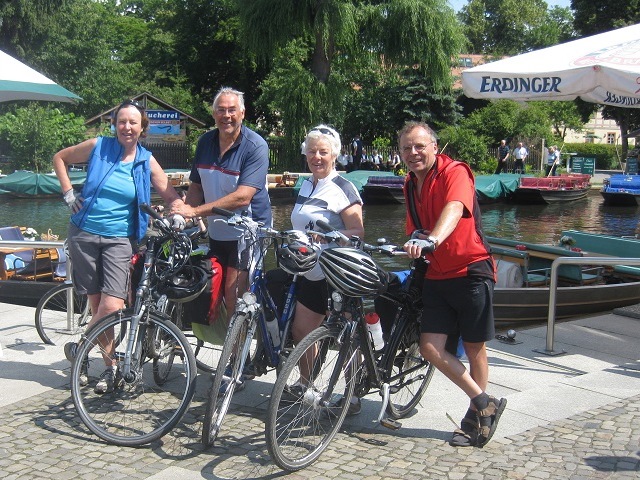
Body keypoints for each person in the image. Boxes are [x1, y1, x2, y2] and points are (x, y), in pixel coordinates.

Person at [53, 99, 185, 394]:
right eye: (122, 121)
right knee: (97, 304)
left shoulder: (145, 160)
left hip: (119, 239)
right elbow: (59, 158)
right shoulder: (98, 146)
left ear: (143, 128)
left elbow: (169, 192)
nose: (127, 127)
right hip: (84, 234)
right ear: (115, 125)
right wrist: (68, 194)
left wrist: (177, 211)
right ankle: (110, 367)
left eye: (133, 122)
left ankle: (78, 348)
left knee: (113, 306)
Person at [399, 121, 506, 448]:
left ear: (434, 147)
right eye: (407, 148)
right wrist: (414, 239)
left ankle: (473, 420)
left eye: (420, 146)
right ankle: (484, 401)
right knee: (430, 348)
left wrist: (432, 238)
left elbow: (454, 208)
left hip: (471, 270)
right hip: (437, 274)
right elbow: (413, 227)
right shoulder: (410, 184)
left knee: (474, 347)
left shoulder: (455, 172)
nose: (413, 153)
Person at [171, 86, 272, 321]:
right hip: (218, 232)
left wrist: (195, 210)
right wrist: (182, 215)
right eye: (221, 110)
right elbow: (196, 186)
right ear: (214, 114)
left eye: (232, 110)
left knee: (234, 294)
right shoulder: (205, 142)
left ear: (243, 113)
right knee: (211, 289)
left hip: (249, 231)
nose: (226, 115)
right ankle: (232, 345)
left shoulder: (255, 146)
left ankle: (237, 356)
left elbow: (242, 197)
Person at [290, 124, 364, 415]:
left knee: (348, 334)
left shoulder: (343, 188)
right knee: (301, 330)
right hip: (310, 268)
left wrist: (332, 236)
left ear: (334, 155)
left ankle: (353, 393)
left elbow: (358, 231)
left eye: (323, 152)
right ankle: (307, 383)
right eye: (312, 152)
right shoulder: (307, 184)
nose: (317, 157)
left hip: (338, 271)